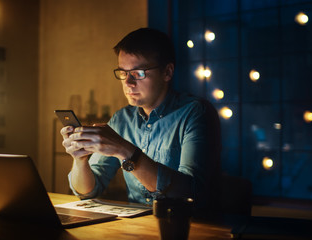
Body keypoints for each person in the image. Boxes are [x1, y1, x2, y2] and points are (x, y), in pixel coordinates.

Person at [60, 28, 221, 217]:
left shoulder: (195, 112)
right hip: (137, 228)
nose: (128, 82)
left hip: (188, 227)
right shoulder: (122, 119)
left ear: (167, 72)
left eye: (138, 72)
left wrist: (125, 151)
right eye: (123, 72)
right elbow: (88, 191)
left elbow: (192, 192)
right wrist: (79, 160)